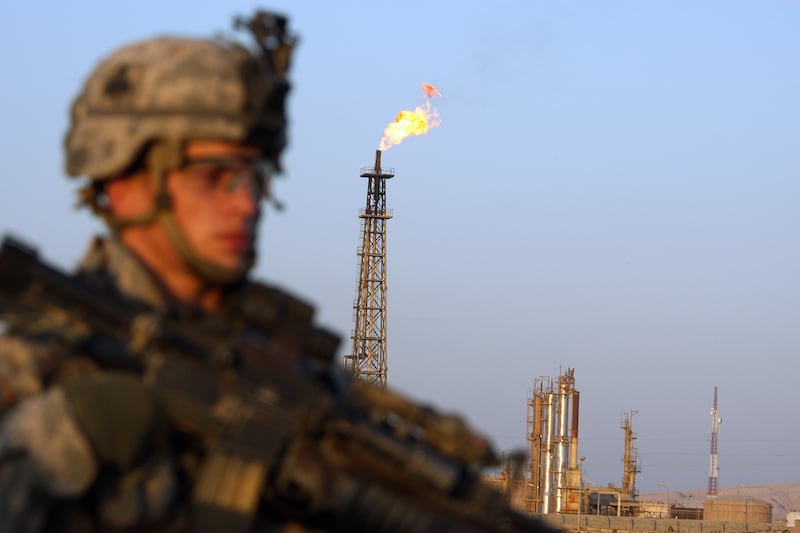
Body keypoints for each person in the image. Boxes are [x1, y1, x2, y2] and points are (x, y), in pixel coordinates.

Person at [0, 10, 329, 532]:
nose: (246, 205)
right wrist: (54, 446)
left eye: (255, 177)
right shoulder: (35, 362)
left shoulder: (292, 372)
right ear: (124, 183)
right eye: (215, 176)